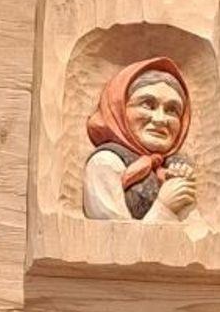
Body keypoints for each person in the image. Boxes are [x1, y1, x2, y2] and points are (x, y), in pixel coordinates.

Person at [83, 59, 201, 223]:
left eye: (172, 110)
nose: (160, 119)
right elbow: (111, 234)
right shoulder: (105, 162)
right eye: (148, 105)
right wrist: (165, 207)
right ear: (120, 110)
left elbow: (196, 231)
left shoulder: (173, 167)